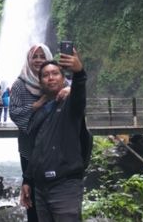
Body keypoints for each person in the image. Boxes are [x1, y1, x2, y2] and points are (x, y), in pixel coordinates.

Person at [21, 48, 91, 221]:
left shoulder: (70, 105)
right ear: (41, 82)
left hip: (64, 186)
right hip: (41, 188)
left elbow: (79, 95)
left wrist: (79, 73)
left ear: (63, 78)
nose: (50, 78)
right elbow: (37, 149)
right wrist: (27, 180)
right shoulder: (40, 111)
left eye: (55, 73)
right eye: (45, 75)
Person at [10, 44, 69, 222]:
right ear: (29, 59)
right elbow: (14, 112)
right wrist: (38, 104)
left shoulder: (59, 81)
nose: (38, 60)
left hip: (57, 147)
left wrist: (70, 90)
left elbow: (77, 97)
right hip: (30, 148)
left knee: (58, 190)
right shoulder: (20, 84)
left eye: (42, 56)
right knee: (32, 192)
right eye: (34, 56)